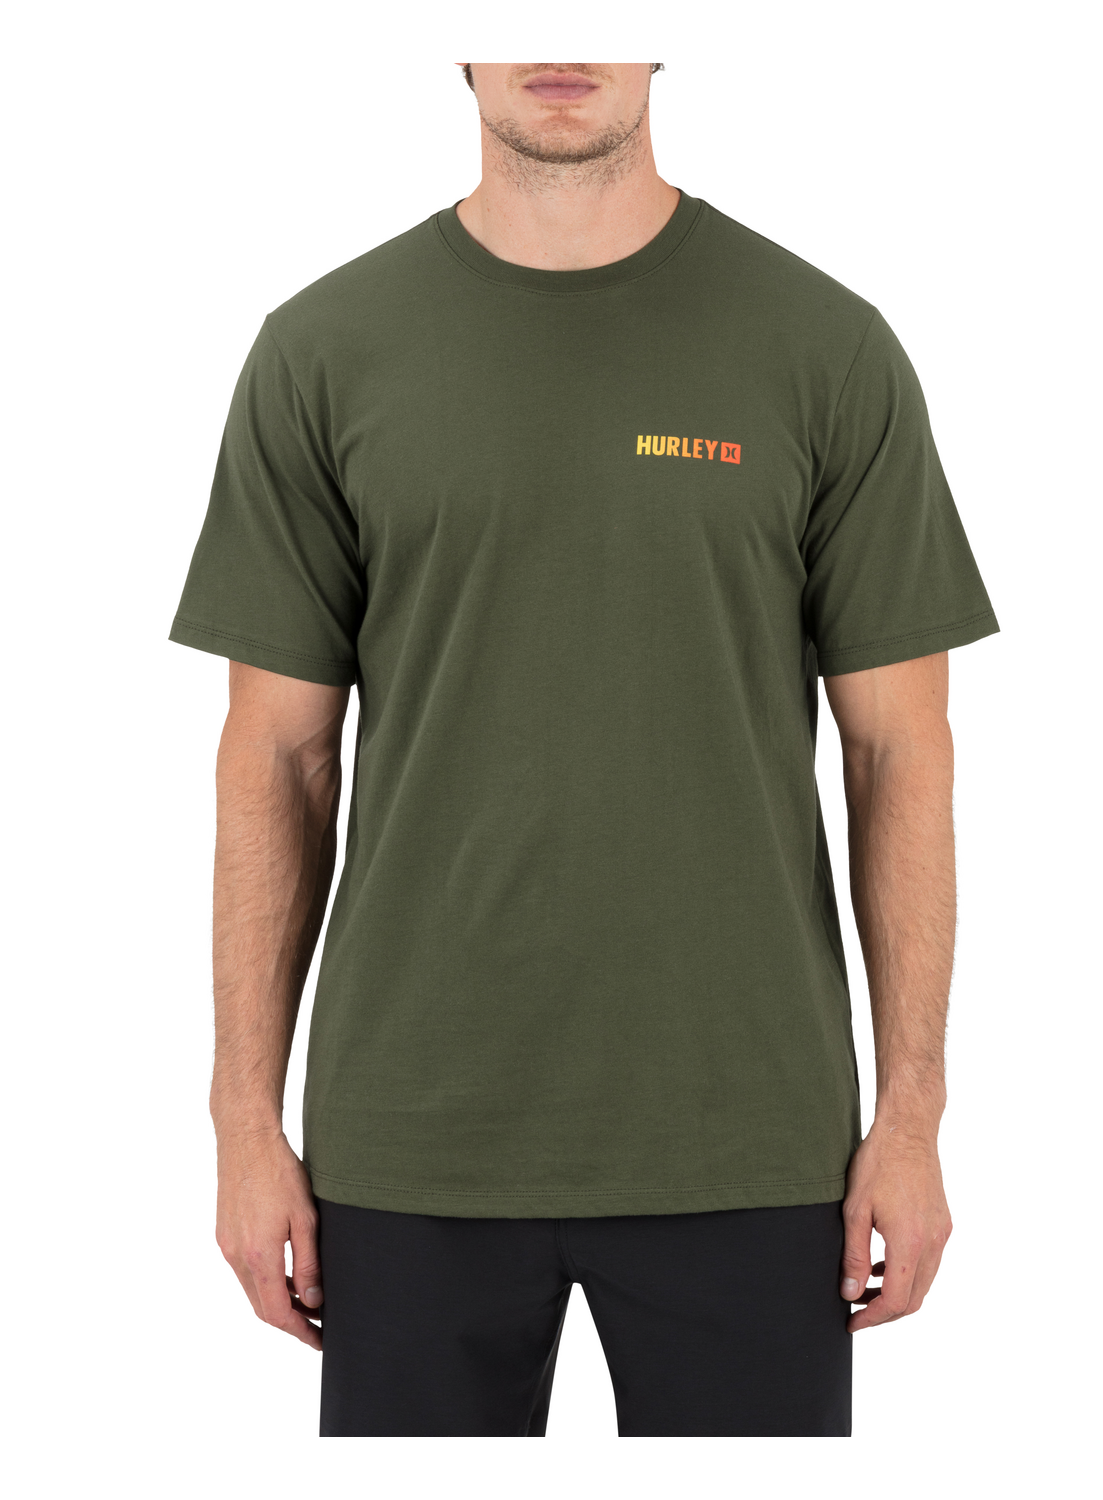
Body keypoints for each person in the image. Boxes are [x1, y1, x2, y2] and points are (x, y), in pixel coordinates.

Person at [170, 62, 998, 1437]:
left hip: (745, 1136)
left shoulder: (824, 347)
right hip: (412, 1138)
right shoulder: (323, 351)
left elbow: (900, 755)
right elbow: (275, 759)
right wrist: (242, 1125)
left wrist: (912, 1118)